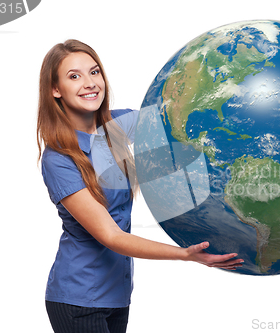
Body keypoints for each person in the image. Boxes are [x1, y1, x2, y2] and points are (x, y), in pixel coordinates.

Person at [37, 39, 243, 333]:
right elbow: (110, 235)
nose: (89, 83)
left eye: (94, 72)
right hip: (78, 301)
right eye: (74, 76)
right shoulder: (58, 159)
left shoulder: (118, 125)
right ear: (55, 90)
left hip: (118, 296)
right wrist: (185, 254)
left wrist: (229, 88)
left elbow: (176, 118)